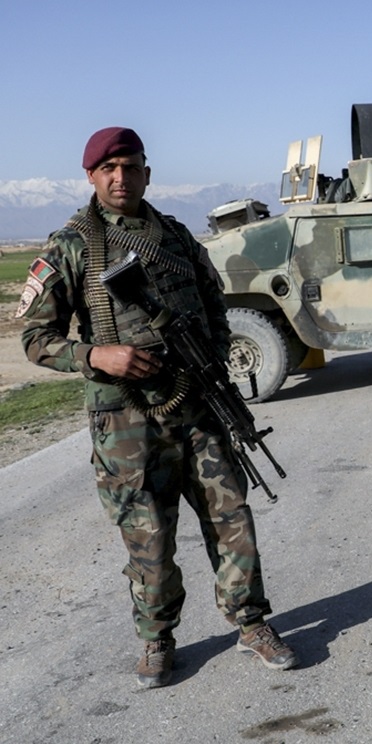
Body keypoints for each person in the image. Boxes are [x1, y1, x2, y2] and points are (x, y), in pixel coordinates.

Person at [19, 127, 299, 689]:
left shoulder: (174, 238)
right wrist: (97, 354)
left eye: (130, 166)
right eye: (109, 169)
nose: (120, 178)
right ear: (92, 177)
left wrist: (213, 360)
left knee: (231, 519)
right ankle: (157, 637)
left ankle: (250, 622)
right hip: (124, 420)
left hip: (197, 407)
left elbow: (214, 306)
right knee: (147, 538)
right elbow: (33, 336)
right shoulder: (71, 246)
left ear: (147, 172)